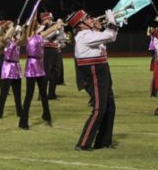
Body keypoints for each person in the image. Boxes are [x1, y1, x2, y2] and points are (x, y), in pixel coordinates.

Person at [66, 9, 118, 151]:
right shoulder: (84, 36)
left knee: (110, 107)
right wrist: (111, 19)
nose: (91, 19)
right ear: (80, 24)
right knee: (99, 108)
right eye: (87, 18)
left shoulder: (91, 34)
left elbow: (111, 37)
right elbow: (109, 34)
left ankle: (104, 142)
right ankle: (83, 143)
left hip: (102, 69)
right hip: (95, 71)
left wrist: (113, 22)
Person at [19, 15, 62, 130]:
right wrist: (55, 26)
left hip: (39, 65)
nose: (39, 26)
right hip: (31, 65)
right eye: (37, 25)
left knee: (43, 93)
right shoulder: (28, 36)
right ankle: (23, 121)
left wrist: (57, 25)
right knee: (29, 94)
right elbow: (49, 30)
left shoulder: (39, 35)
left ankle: (46, 116)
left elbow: (49, 30)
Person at [0, 21, 24, 119]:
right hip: (7, 67)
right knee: (4, 93)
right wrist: (13, 27)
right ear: (6, 29)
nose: (13, 28)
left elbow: (24, 39)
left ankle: (20, 112)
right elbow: (6, 37)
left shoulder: (16, 39)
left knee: (17, 93)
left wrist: (24, 29)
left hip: (16, 67)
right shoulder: (4, 40)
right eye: (10, 26)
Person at [39, 11, 63, 100]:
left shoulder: (54, 27)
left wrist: (60, 29)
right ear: (44, 19)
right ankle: (42, 94)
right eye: (49, 18)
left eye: (51, 19)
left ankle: (51, 94)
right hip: (46, 50)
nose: (50, 20)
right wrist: (56, 28)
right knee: (46, 73)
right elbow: (47, 37)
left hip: (55, 50)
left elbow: (61, 37)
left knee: (56, 73)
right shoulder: (40, 27)